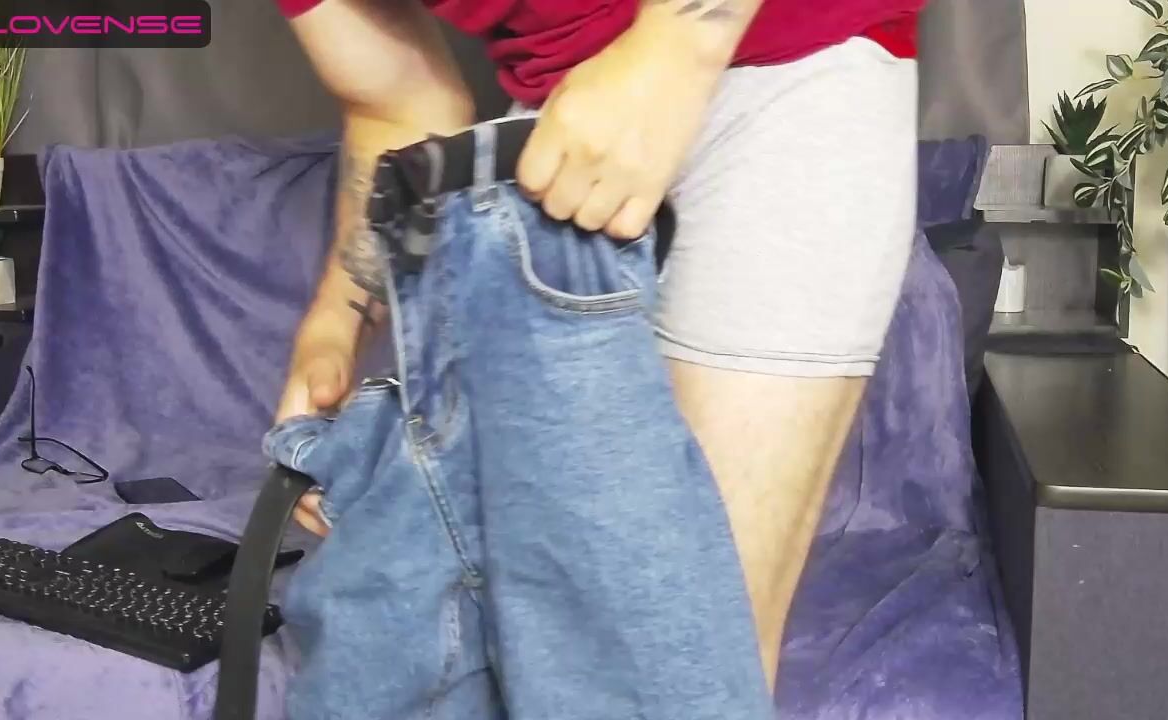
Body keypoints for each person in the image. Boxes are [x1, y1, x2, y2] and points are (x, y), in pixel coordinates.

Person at [272, 0, 923, 689]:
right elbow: (398, 101)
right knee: (531, 622)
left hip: (782, 60)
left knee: (685, 650)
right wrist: (337, 325)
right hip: (560, 135)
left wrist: (677, 44)